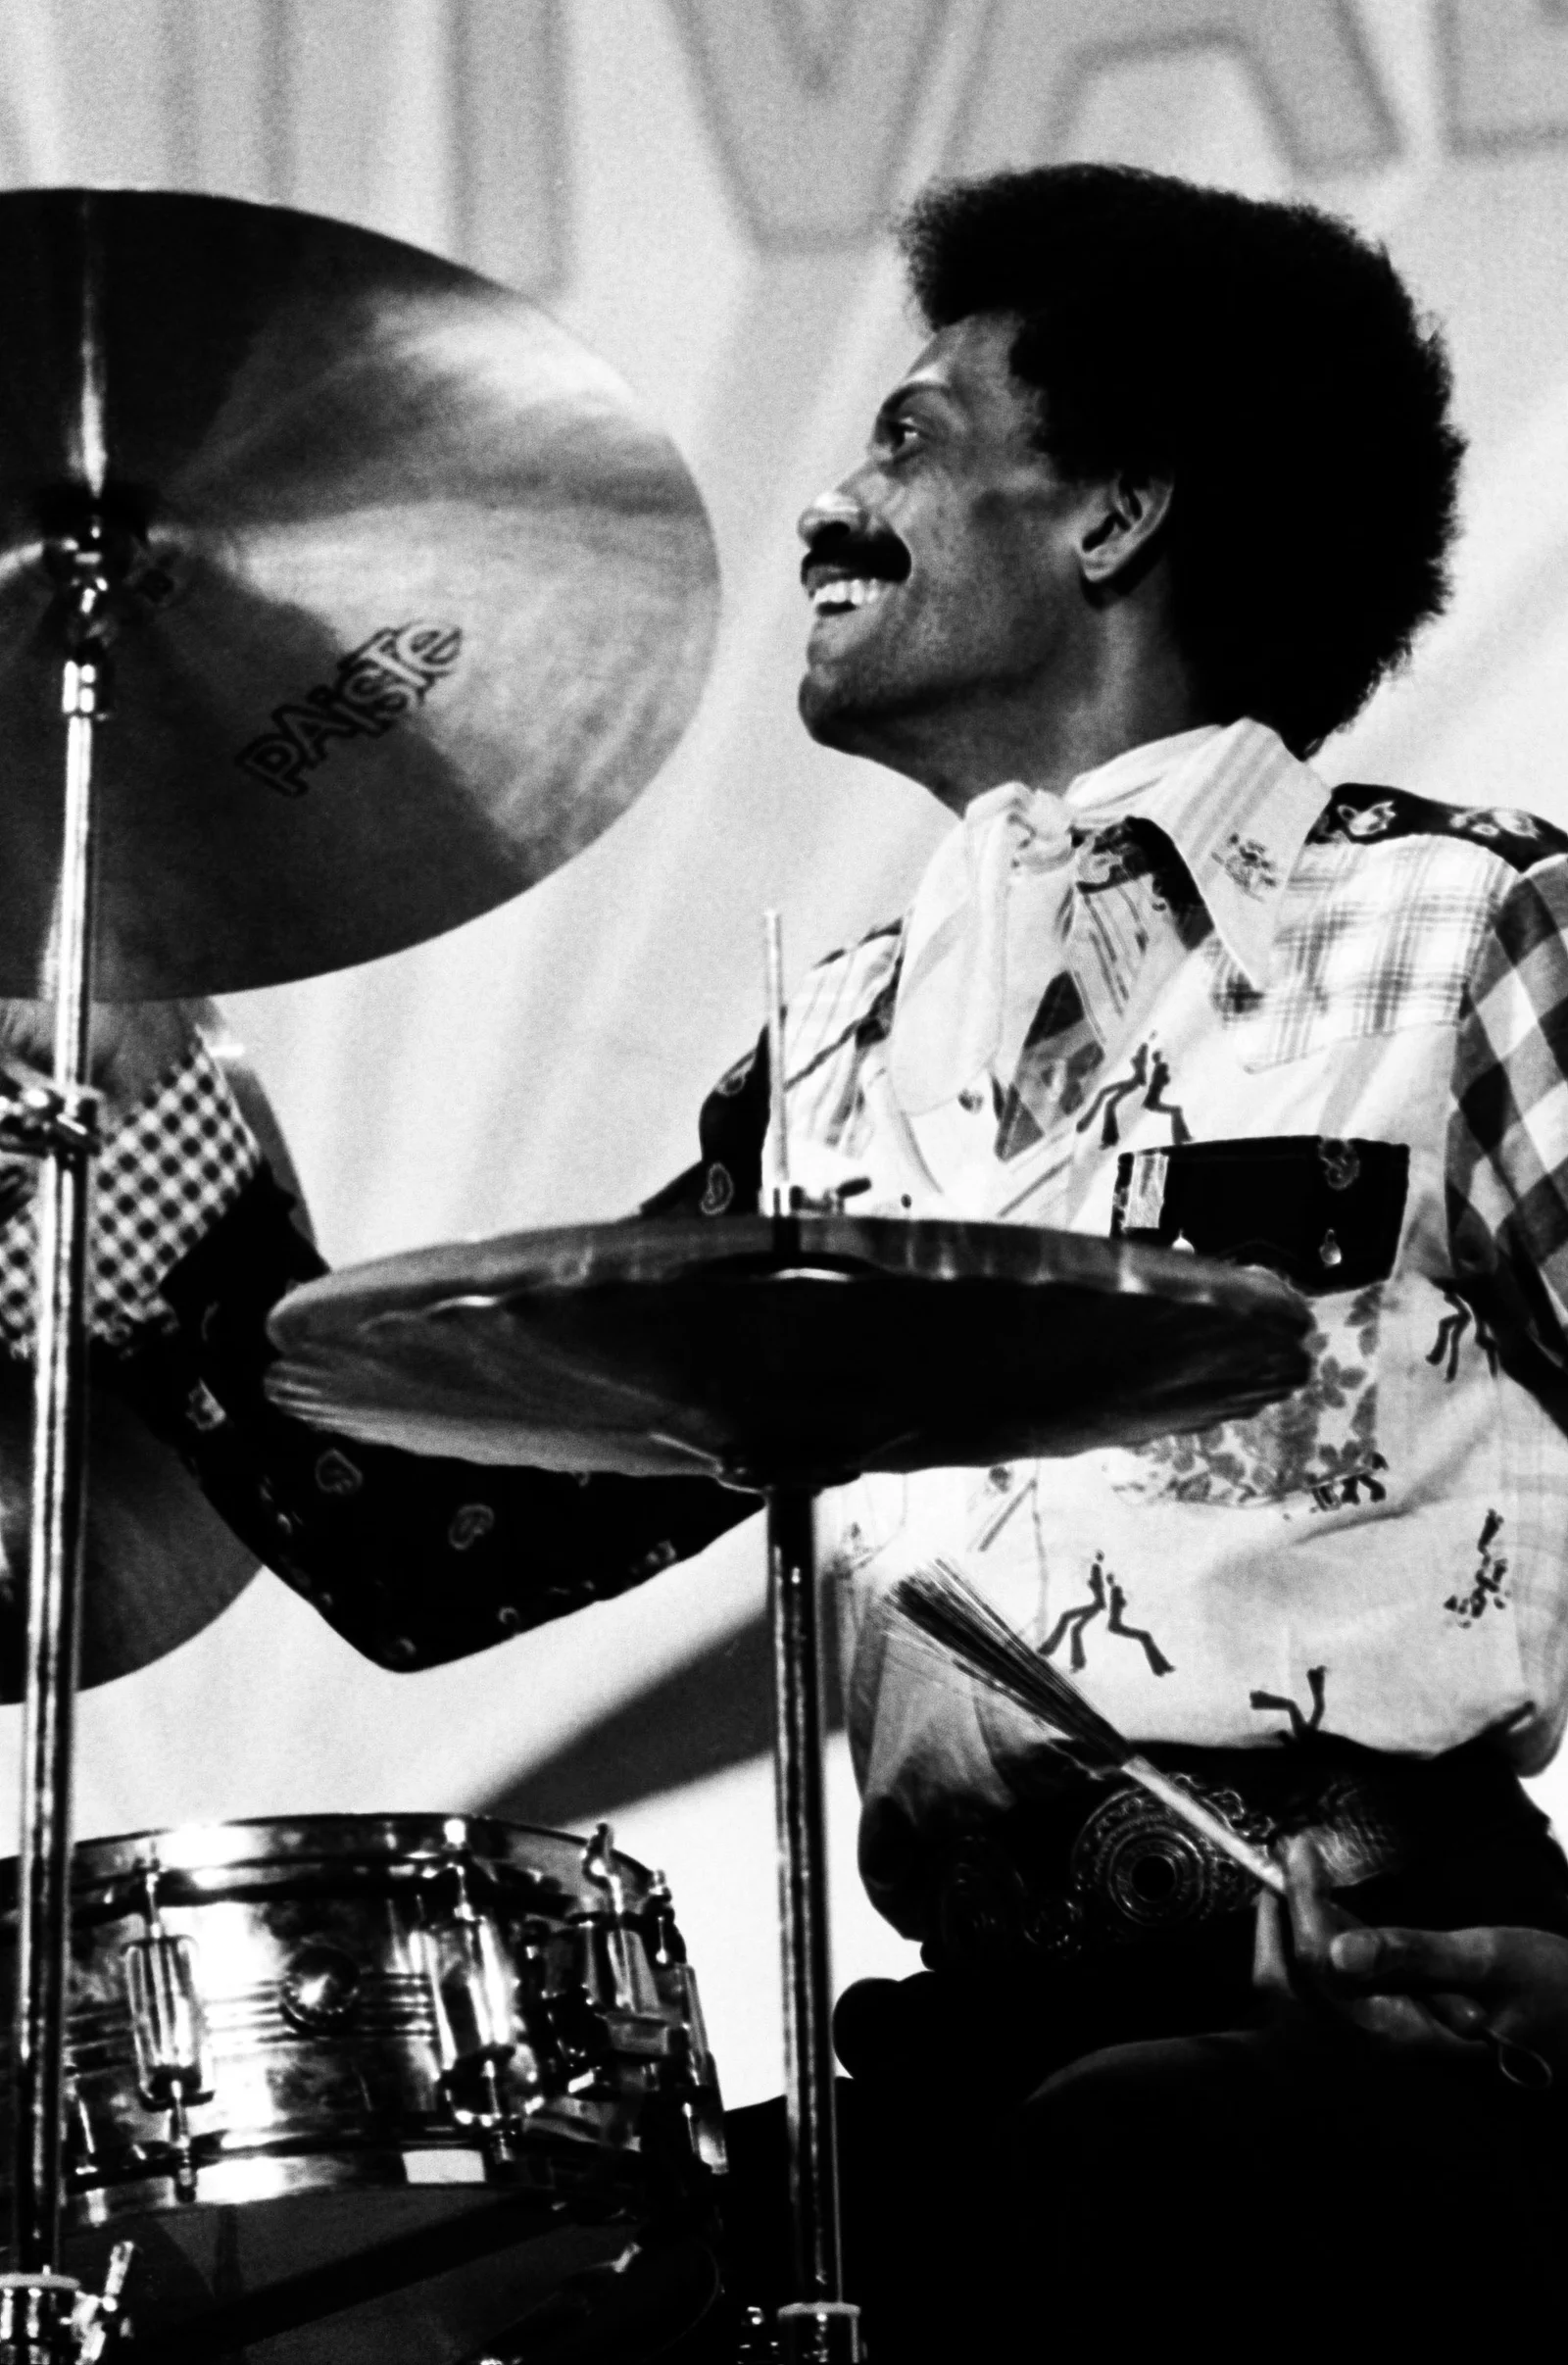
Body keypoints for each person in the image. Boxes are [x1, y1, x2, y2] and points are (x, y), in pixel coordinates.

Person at [10, 162, 1568, 2350]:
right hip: (975, 2036)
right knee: (555, 2303)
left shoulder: (1466, 928)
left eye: (909, 438)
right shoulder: (837, 1051)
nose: (831, 502)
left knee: (1128, 2167)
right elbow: (434, 1541)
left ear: (1114, 514)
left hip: (1390, 2018)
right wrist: (140, 1091)